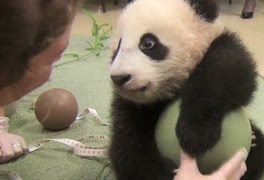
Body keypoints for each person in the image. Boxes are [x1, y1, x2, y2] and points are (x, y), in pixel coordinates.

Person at [0, 1, 248, 179]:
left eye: (148, 44)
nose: (116, 69)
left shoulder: (217, 53)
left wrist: (203, 108)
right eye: (119, 46)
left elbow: (231, 63)